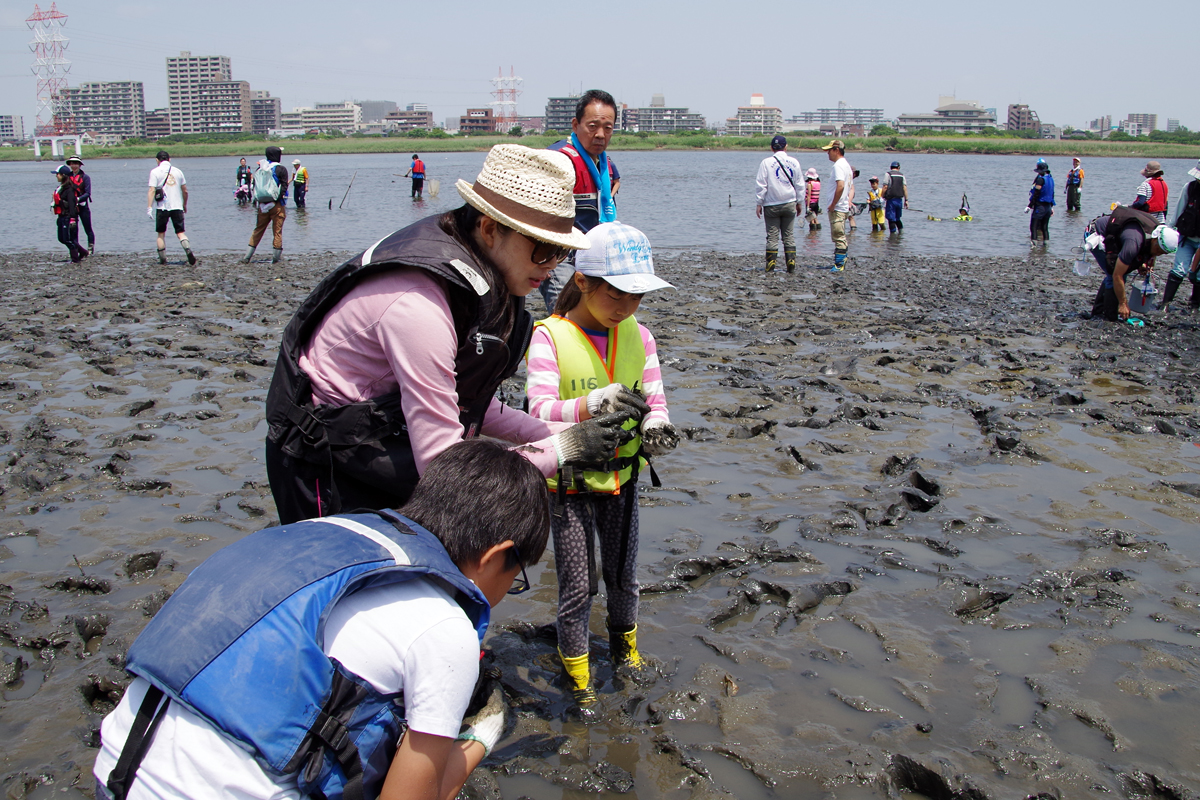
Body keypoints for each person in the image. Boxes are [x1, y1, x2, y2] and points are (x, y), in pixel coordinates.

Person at [93, 437, 549, 800]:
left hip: (117, 766)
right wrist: (477, 742)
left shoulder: (319, 532)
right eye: (517, 578)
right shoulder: (445, 628)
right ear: (498, 556)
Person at [264, 144, 643, 525]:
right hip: (327, 455)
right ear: (490, 229)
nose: (551, 267)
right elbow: (442, 468)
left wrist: (572, 431)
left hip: (390, 428)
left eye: (561, 252)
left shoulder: (486, 273)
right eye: (543, 250)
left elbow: (470, 401)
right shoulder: (419, 307)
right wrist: (563, 448)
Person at [526, 221, 679, 717]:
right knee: (577, 584)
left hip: (623, 478)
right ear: (584, 282)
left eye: (637, 296)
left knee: (623, 574)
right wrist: (594, 402)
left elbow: (654, 395)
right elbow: (538, 413)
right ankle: (579, 675)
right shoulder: (549, 336)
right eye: (617, 293)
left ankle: (625, 652)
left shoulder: (642, 335)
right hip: (569, 481)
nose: (627, 307)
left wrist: (657, 422)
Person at [541, 89, 622, 311]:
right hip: (560, 257)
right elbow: (532, 210)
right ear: (576, 125)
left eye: (608, 128)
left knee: (595, 317)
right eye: (592, 126)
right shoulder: (558, 159)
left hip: (592, 256)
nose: (600, 134)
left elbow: (613, 189)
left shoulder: (603, 162)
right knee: (565, 316)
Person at [1085, 205, 1178, 321]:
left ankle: (1098, 312)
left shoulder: (1156, 230)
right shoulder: (1133, 243)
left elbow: (1146, 251)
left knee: (1121, 271)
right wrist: (1123, 304)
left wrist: (1141, 264)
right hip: (1096, 234)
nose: (1158, 254)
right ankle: (1108, 317)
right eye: (1159, 250)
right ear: (1155, 240)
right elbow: (1116, 275)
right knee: (1114, 273)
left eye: (1163, 253)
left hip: (1119, 237)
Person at [754, 134, 803, 273]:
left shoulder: (765, 162)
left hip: (771, 204)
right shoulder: (794, 162)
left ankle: (771, 263)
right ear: (786, 146)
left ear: (771, 148)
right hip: (790, 202)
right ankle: (791, 262)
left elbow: (761, 185)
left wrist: (759, 203)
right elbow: (800, 185)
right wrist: (800, 202)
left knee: (772, 235)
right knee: (788, 235)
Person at [1161, 160, 1200, 313]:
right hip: (1187, 238)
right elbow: (1179, 210)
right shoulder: (1189, 188)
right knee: (1179, 270)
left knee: (1198, 275)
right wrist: (1167, 231)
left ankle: (1195, 304)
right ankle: (1165, 303)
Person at [146, 150, 196, 266]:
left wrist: (149, 207)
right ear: (169, 159)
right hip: (177, 206)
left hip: (162, 207)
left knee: (161, 234)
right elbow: (185, 190)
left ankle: (162, 259)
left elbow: (152, 190)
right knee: (180, 232)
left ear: (157, 160)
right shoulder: (178, 171)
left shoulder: (154, 172)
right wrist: (184, 204)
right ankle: (187, 249)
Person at [243, 146, 290, 264]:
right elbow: (284, 186)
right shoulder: (281, 169)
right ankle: (275, 258)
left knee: (258, 229)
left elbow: (255, 186)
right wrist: (278, 200)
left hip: (262, 205)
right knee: (277, 231)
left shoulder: (261, 168)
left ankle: (247, 257)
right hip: (276, 205)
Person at [821, 139, 853, 271]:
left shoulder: (839, 166)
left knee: (838, 235)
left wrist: (833, 204)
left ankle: (839, 264)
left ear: (837, 150)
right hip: (843, 206)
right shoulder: (846, 165)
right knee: (840, 234)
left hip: (838, 207)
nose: (827, 153)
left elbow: (840, 186)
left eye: (830, 150)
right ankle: (840, 260)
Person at [52, 165, 86, 263]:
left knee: (68, 239)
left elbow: (72, 205)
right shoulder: (61, 188)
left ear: (63, 175)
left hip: (68, 217)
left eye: (57, 174)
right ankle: (82, 251)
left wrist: (72, 219)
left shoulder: (70, 190)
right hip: (61, 216)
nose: (56, 176)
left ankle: (75, 258)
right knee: (61, 238)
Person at [65, 156, 94, 254]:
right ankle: (76, 248)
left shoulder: (85, 177)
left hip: (82, 205)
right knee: (73, 228)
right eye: (72, 163)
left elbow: (87, 193)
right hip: (71, 207)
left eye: (76, 163)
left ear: (80, 165)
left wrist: (78, 199)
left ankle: (90, 248)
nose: (74, 166)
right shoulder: (67, 176)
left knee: (88, 228)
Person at [1028, 159, 1055, 244]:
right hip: (1048, 207)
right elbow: (1052, 194)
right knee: (1044, 227)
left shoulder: (1040, 180)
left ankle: (1034, 245)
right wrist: (1052, 207)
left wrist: (1029, 205)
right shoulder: (1051, 179)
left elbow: (1036, 193)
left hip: (1040, 206)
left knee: (1033, 226)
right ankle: (1045, 246)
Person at [882, 161, 908, 233]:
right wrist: (906, 200)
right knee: (897, 218)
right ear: (898, 168)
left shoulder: (888, 174)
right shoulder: (902, 175)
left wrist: (881, 197)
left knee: (891, 219)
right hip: (899, 200)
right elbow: (904, 188)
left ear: (891, 167)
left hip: (891, 200)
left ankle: (892, 237)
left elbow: (885, 187)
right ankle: (901, 234)